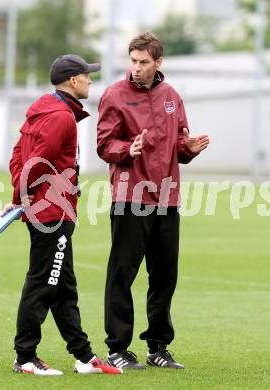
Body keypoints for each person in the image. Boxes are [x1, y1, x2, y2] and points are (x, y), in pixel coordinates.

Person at [2, 54, 122, 376]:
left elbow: (18, 157)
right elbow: (36, 162)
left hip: (47, 209)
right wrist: (24, 196)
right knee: (43, 283)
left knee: (63, 286)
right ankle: (25, 357)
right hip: (52, 213)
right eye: (87, 76)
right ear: (73, 80)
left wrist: (20, 197)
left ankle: (84, 356)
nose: (91, 81)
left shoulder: (44, 110)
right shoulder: (61, 118)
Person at [97, 32, 209, 370]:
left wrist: (187, 150)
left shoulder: (172, 96)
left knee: (164, 275)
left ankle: (158, 347)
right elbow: (104, 145)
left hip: (167, 198)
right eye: (133, 61)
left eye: (144, 62)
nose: (137, 68)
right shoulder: (114, 95)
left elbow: (178, 143)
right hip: (130, 196)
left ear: (158, 62)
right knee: (122, 274)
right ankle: (117, 347)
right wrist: (125, 150)